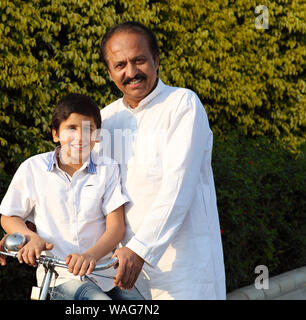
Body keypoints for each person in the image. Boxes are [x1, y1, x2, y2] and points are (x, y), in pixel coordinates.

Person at [97, 21, 226, 300]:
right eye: (120, 65)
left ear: (156, 60)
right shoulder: (105, 120)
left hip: (184, 269)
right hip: (124, 270)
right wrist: (32, 227)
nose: (131, 72)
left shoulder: (182, 104)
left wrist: (141, 248)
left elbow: (178, 185)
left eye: (139, 60)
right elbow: (87, 187)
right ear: (109, 73)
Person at [0, 93, 144, 300]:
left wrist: (90, 256)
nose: (80, 137)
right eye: (71, 128)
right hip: (61, 277)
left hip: (104, 273)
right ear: (56, 134)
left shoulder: (107, 168)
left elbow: (116, 227)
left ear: (98, 136)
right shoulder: (32, 168)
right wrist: (32, 238)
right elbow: (9, 216)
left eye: (88, 129)